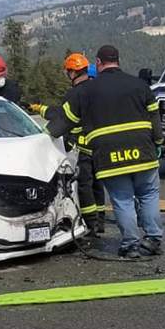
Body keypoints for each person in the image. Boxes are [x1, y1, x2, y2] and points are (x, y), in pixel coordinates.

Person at [57, 45, 164, 258]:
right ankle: (153, 239)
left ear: (97, 63)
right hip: (143, 152)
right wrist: (158, 142)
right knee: (149, 194)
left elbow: (65, 120)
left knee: (123, 199)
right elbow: (154, 117)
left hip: (110, 156)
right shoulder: (140, 85)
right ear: (118, 60)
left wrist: (44, 134)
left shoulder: (88, 91)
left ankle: (131, 245)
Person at [32, 53, 107, 238]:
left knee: (84, 185)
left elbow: (64, 118)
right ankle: (100, 220)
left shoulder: (75, 93)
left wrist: (46, 134)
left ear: (72, 72)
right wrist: (41, 109)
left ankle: (90, 223)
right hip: (100, 146)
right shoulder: (96, 89)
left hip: (83, 148)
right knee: (98, 185)